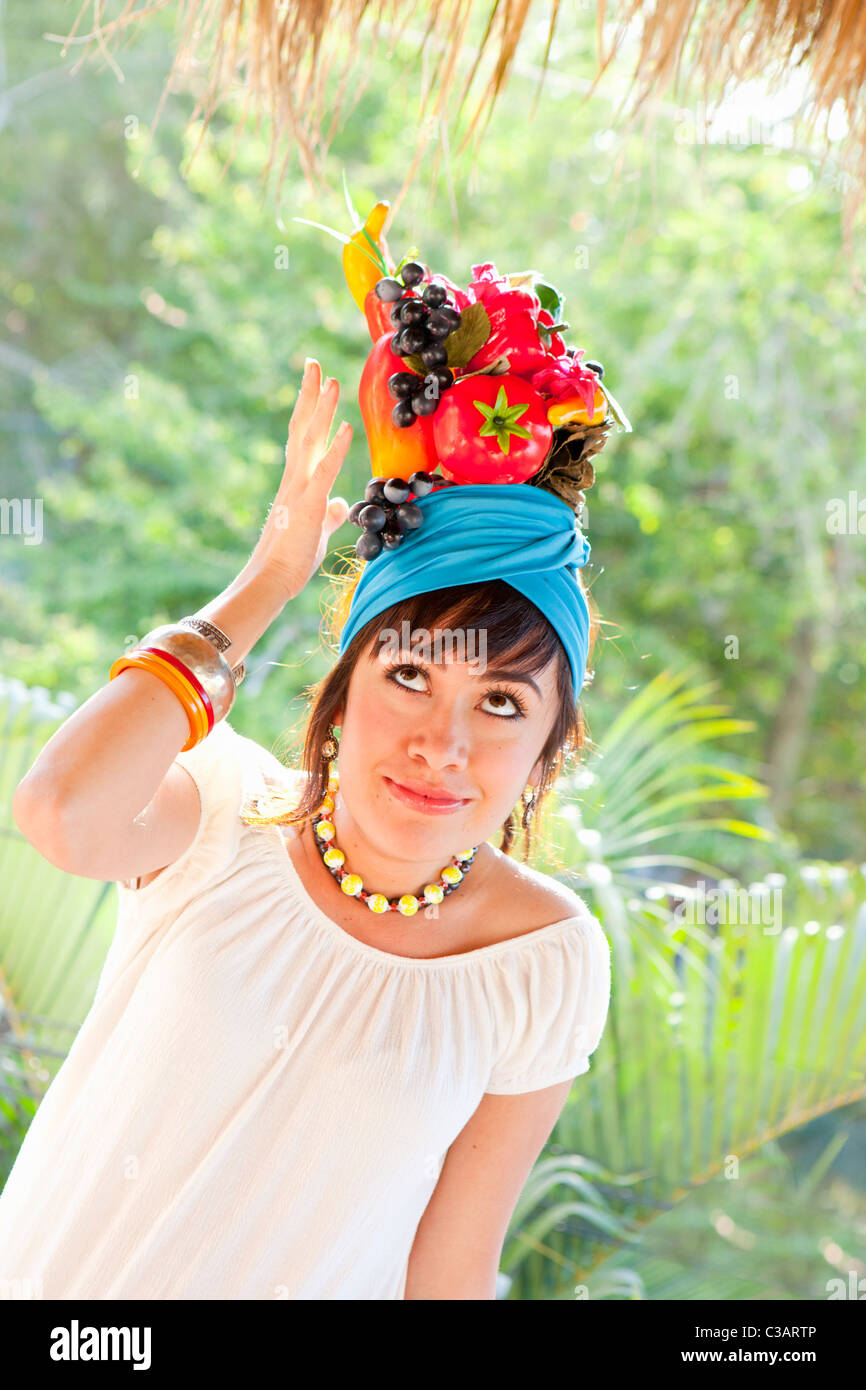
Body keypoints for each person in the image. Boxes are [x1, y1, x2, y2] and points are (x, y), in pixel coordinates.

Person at [2, 330, 613, 1298]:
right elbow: (60, 812)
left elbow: (446, 1273)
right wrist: (267, 585)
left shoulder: (542, 958)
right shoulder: (218, 812)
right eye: (408, 675)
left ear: (550, 746)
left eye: (500, 703)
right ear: (342, 688)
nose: (441, 745)